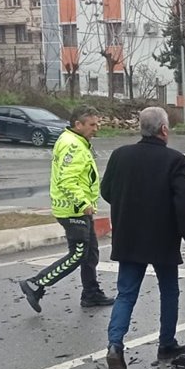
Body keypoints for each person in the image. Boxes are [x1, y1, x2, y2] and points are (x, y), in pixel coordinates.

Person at [100, 107, 185, 369]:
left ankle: (115, 346)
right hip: (162, 238)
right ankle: (167, 343)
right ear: (164, 130)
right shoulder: (174, 160)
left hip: (129, 236)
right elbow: (184, 202)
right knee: (169, 291)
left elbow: (107, 191)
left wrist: (128, 206)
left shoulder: (120, 155)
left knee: (126, 294)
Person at [20, 106, 114, 312]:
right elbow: (66, 180)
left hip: (79, 208)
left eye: (97, 124)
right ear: (77, 124)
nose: (96, 128)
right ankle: (36, 283)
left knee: (90, 254)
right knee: (78, 254)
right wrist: (83, 203)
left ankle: (91, 293)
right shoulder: (72, 145)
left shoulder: (78, 142)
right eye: (91, 124)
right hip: (73, 209)